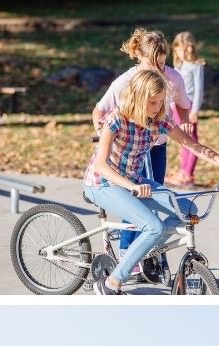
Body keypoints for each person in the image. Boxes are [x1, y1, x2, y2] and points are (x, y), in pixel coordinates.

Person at [84, 70, 219, 295]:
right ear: (137, 98)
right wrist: (132, 187)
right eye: (152, 102)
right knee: (153, 226)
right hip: (103, 184)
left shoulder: (158, 121)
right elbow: (100, 166)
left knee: (187, 210)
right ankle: (111, 283)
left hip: (133, 182)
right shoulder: (116, 119)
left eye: (161, 102)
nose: (157, 107)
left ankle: (142, 253)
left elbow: (195, 147)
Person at [91, 28, 194, 275]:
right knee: (135, 197)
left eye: (162, 62)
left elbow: (183, 106)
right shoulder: (127, 82)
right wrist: (103, 132)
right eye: (153, 62)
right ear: (139, 55)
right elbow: (99, 111)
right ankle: (129, 254)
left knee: (153, 200)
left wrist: (186, 122)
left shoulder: (172, 77)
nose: (158, 69)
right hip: (129, 146)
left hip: (156, 146)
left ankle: (150, 253)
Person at [164, 32, 205, 187]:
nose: (180, 52)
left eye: (183, 48)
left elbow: (199, 90)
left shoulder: (197, 65)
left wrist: (194, 111)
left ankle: (188, 174)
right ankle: (182, 171)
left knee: (192, 140)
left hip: (189, 107)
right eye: (177, 49)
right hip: (176, 107)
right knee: (183, 140)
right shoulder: (178, 66)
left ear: (190, 48)